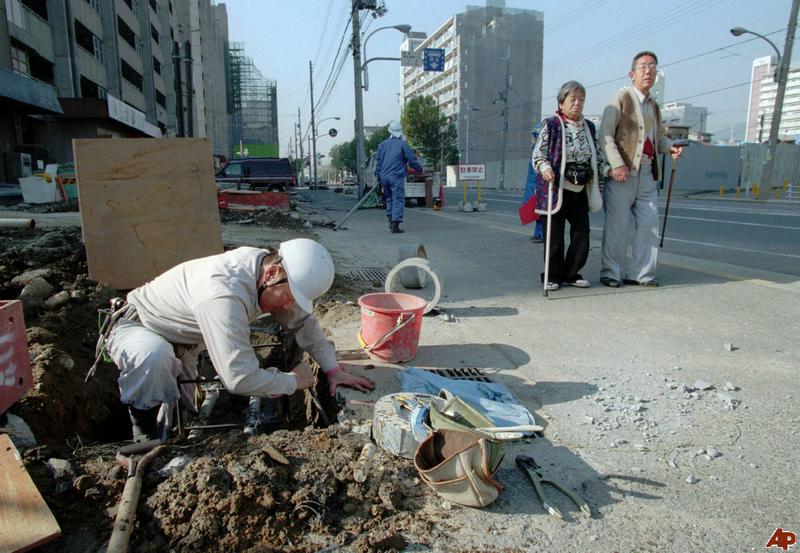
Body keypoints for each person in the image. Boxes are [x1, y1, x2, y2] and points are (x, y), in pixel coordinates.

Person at [104, 239, 374, 440]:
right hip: (139, 328)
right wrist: (293, 381)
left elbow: (303, 321)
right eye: (290, 297)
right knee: (155, 357)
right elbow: (238, 378)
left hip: (182, 339)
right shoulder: (222, 293)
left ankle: (177, 426)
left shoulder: (264, 267)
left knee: (183, 412)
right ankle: (144, 434)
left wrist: (333, 369)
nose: (290, 305)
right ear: (271, 275)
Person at [599, 51, 684, 288]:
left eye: (653, 67)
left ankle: (641, 274)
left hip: (647, 172)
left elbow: (655, 140)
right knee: (617, 226)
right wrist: (616, 164)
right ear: (632, 73)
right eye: (644, 67)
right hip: (622, 172)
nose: (649, 71)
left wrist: (670, 148)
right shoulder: (621, 98)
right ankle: (611, 272)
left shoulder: (653, 107)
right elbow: (605, 133)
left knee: (649, 224)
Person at [533, 80, 604, 291]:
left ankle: (572, 272)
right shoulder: (552, 124)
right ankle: (553, 275)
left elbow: (597, 155)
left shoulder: (589, 127)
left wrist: (605, 172)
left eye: (581, 99)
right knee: (554, 236)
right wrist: (545, 168)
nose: (577, 104)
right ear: (561, 102)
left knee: (582, 233)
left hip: (580, 187)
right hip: (556, 187)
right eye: (572, 99)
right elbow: (538, 154)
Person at [374, 120, 423, 234]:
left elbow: (378, 162)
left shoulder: (382, 145)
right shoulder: (403, 144)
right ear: (400, 132)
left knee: (389, 198)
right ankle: (395, 225)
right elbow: (412, 160)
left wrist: (378, 175)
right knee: (398, 199)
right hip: (396, 176)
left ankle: (390, 220)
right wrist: (420, 169)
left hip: (384, 176)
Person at [523, 127, 544, 243]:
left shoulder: (541, 152)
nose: (532, 139)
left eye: (534, 136)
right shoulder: (534, 150)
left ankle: (542, 234)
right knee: (536, 211)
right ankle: (537, 233)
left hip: (539, 186)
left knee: (541, 211)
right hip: (533, 185)